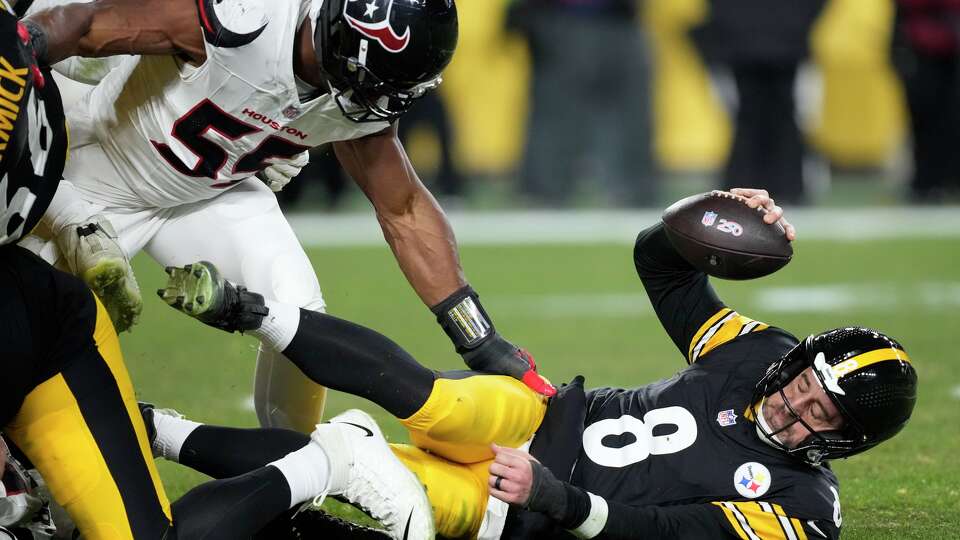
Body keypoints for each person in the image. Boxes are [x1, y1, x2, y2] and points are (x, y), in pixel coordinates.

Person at [157, 188, 918, 539]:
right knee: (435, 400)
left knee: (343, 460)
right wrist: (710, 217)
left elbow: (668, 532)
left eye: (818, 412)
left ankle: (157, 434)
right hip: (549, 413)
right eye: (804, 383)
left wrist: (558, 501)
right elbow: (664, 270)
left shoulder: (802, 510)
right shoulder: (761, 354)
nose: (791, 402)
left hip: (521, 510)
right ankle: (251, 311)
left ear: (843, 439)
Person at [20, 0, 555, 435]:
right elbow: (90, 24)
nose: (385, 103)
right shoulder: (248, 21)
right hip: (98, 170)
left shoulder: (357, 94)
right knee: (28, 341)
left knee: (298, 309)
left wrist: (478, 338)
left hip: (206, 196)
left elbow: (405, 208)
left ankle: (287, 466)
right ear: (347, 50)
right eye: (380, 84)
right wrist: (25, 46)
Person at [0, 10, 433, 539]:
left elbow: (67, 37)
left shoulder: (258, 21)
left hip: (187, 186)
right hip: (97, 158)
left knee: (293, 303)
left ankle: (306, 467)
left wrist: (272, 131)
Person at [691, 0, 826, 205]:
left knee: (753, 121)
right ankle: (786, 190)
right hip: (781, 42)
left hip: (745, 43)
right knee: (777, 119)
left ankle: (742, 195)